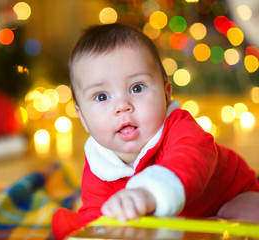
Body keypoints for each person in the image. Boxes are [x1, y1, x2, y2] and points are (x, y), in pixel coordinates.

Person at [51, 23, 259, 240]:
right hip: (174, 220)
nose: (122, 106)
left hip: (227, 198)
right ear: (82, 117)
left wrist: (149, 193)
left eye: (137, 88)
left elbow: (189, 161)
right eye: (102, 96)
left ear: (166, 94)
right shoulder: (99, 165)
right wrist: (93, 229)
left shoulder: (179, 127)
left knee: (251, 214)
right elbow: (100, 214)